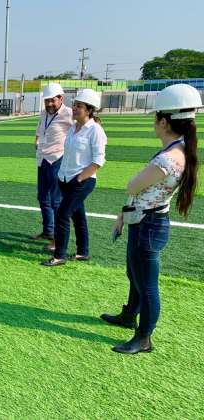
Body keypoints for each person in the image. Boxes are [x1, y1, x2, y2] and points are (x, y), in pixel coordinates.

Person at [102, 84, 201, 354]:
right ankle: (128, 316)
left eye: (155, 118)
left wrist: (129, 199)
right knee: (135, 274)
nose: (153, 123)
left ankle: (143, 337)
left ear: (165, 122)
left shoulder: (169, 158)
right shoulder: (179, 149)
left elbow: (132, 186)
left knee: (146, 284)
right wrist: (123, 214)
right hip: (145, 221)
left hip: (149, 226)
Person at [42, 89, 106, 266]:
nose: (74, 109)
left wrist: (80, 178)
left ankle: (59, 255)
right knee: (78, 216)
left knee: (62, 214)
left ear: (89, 110)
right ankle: (82, 252)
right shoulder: (72, 128)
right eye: (75, 105)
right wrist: (63, 176)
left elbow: (99, 161)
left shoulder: (95, 130)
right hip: (65, 179)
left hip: (82, 181)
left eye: (79, 106)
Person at [30, 83, 73, 243]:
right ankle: (48, 231)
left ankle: (57, 237)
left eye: (52, 101)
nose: (49, 104)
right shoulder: (44, 113)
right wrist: (36, 140)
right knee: (42, 197)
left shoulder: (69, 113)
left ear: (61, 98)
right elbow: (41, 128)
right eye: (46, 101)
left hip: (57, 159)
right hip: (42, 159)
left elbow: (86, 125)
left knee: (56, 200)